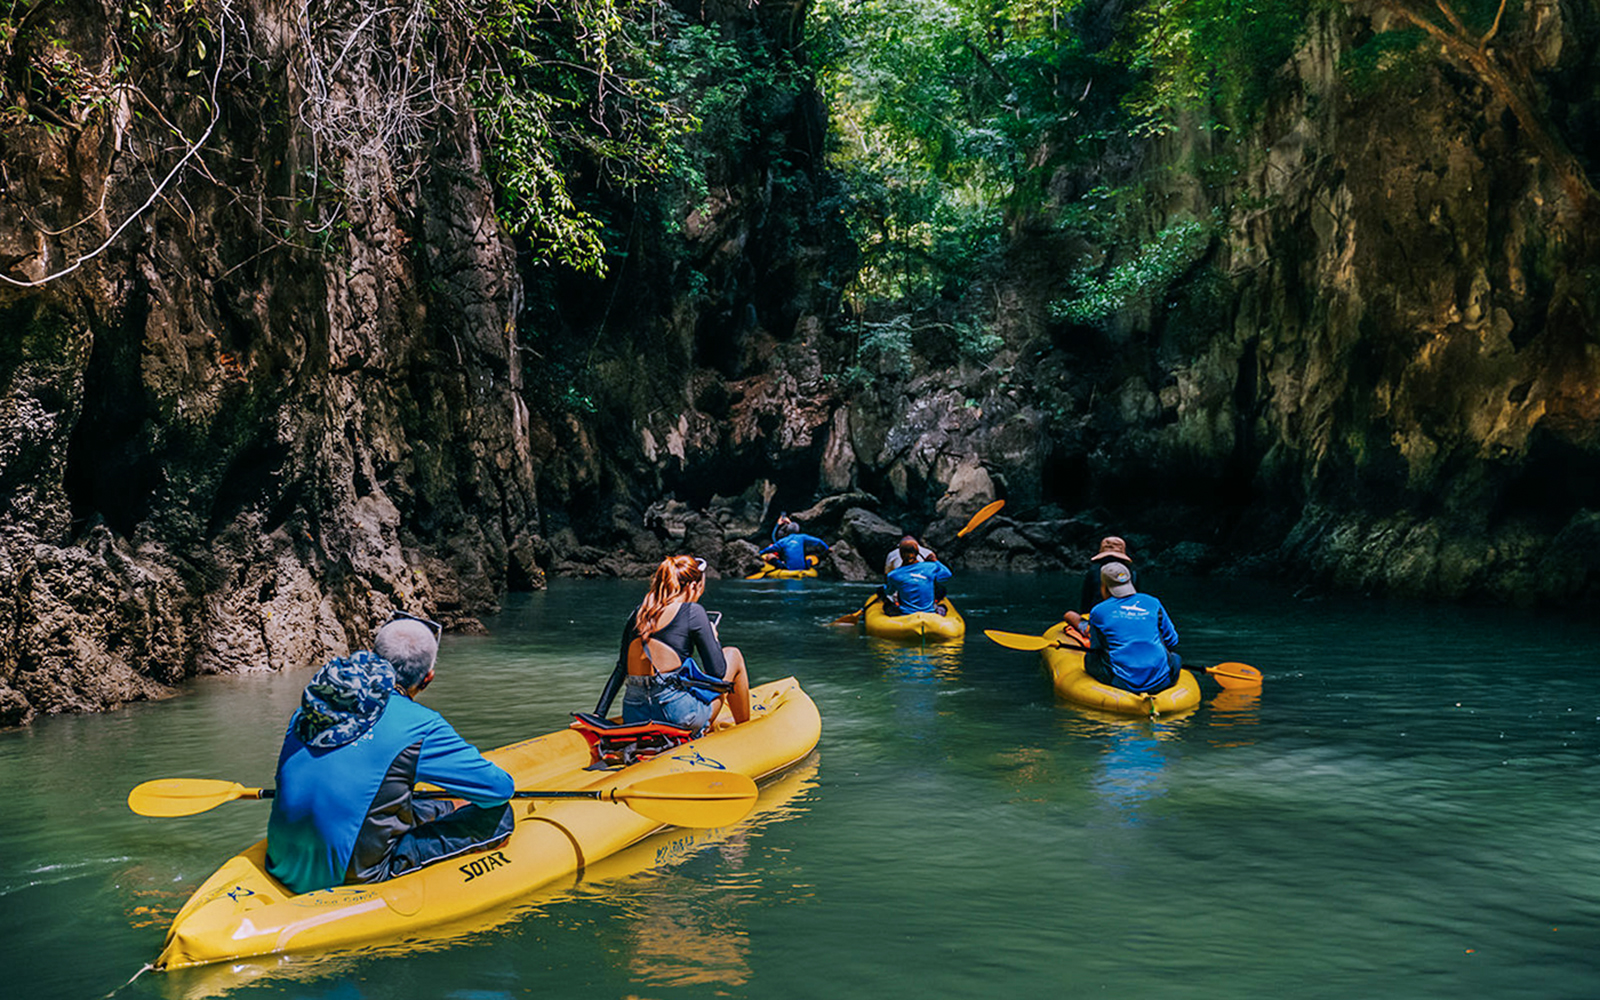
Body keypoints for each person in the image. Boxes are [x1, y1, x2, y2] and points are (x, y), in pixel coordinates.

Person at [266, 613, 514, 895]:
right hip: (356, 876)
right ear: (428, 678)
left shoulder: (312, 705)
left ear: (374, 655)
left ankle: (442, 808)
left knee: (423, 802)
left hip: (281, 860)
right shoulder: (421, 725)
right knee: (501, 816)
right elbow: (499, 789)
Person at [595, 555, 751, 732]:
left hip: (634, 715)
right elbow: (718, 673)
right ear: (693, 586)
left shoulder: (639, 613)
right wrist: (713, 638)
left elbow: (621, 668)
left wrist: (599, 715)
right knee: (733, 654)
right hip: (677, 716)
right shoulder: (693, 612)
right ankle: (745, 731)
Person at [1070, 562, 1181, 694]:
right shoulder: (1153, 602)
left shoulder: (1098, 611)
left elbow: (1096, 647)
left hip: (1121, 682)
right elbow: (1172, 641)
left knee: (1090, 659)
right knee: (1176, 657)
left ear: (1104, 587)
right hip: (1161, 681)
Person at [1064, 535, 1139, 632]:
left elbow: (1086, 600)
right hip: (1128, 619)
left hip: (1099, 620)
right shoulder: (1133, 573)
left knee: (1069, 615)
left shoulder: (1094, 571)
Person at [882, 543, 953, 616]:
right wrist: (935, 560)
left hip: (906, 613)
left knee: (886, 604)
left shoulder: (893, 574)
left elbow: (889, 591)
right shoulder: (931, 566)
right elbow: (947, 574)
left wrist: (884, 589)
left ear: (901, 555)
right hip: (929, 612)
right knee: (941, 593)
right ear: (917, 554)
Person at [759, 522, 830, 570]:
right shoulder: (802, 537)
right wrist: (827, 549)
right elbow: (818, 541)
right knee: (810, 559)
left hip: (788, 568)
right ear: (798, 531)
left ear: (787, 531)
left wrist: (760, 553)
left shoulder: (783, 541)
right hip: (803, 567)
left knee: (770, 555)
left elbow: (770, 549)